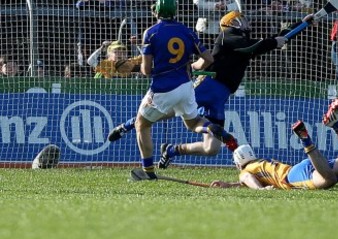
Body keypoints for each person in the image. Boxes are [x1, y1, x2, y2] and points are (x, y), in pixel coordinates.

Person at [108, 11, 314, 169]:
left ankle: (172, 150)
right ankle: (128, 125)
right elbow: (256, 46)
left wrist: (302, 24)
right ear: (233, 22)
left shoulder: (243, 42)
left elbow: (277, 39)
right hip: (208, 87)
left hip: (219, 98)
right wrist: (273, 42)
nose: (247, 22)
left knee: (211, 149)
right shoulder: (227, 37)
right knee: (167, 112)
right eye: (242, 19)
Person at [133, 0, 224, 178]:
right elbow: (208, 58)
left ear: (157, 10)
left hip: (163, 89)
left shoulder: (151, 32)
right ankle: (210, 128)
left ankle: (148, 171)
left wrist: (136, 65)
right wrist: (193, 67)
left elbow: (147, 70)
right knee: (194, 123)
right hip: (186, 86)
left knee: (141, 125)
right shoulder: (187, 31)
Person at [210, 97, 338, 190]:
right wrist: (228, 185)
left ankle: (305, 139)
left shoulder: (246, 171)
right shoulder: (258, 165)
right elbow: (248, 181)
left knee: (328, 180)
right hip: (302, 167)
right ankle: (336, 124)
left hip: (293, 177)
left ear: (238, 164)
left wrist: (261, 191)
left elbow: (247, 179)